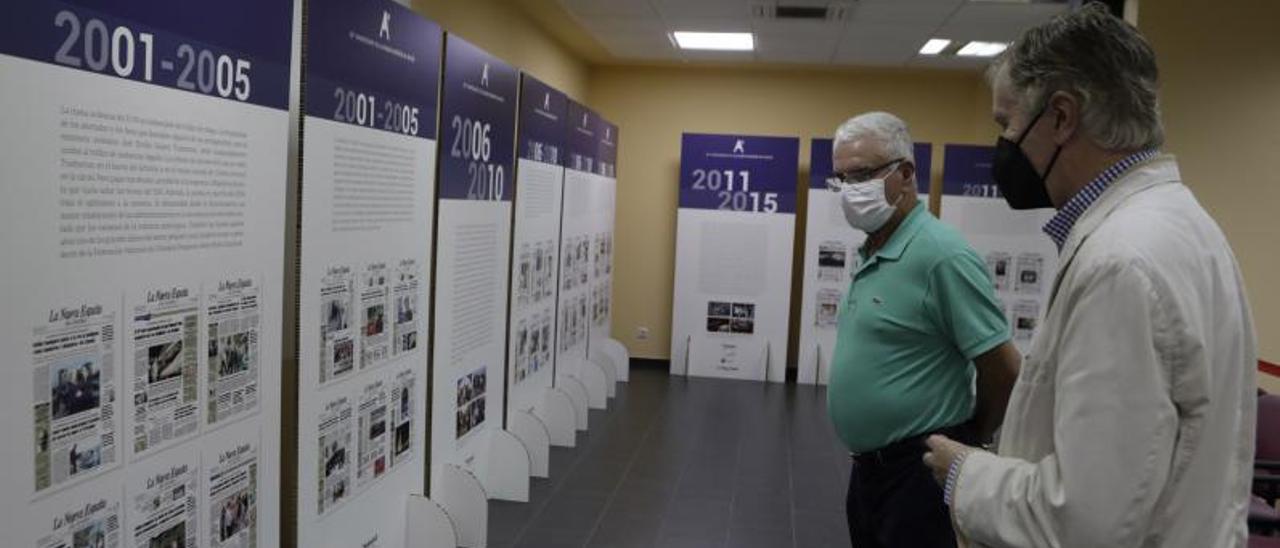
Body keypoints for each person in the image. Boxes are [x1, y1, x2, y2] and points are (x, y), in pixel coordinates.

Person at [922, 5, 1257, 547]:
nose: (1003, 146)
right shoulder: (1183, 226)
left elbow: (1083, 519)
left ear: (1060, 117)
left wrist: (964, 474)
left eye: (1006, 124)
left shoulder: (1121, 263)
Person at [826, 111, 1022, 547]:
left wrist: (967, 441)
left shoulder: (941, 255)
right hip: (869, 471)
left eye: (861, 174)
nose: (849, 190)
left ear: (905, 173)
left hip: (920, 472)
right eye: (840, 178)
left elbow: (1004, 368)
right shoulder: (873, 249)